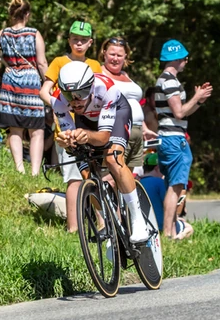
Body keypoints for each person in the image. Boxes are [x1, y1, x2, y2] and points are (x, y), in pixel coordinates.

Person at [53, 61, 150, 243]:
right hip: (86, 120)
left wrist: (85, 136)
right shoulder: (59, 101)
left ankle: (137, 219)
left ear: (90, 87)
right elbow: (70, 141)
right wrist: (66, 142)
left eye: (81, 93)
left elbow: (104, 138)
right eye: (69, 95)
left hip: (117, 113)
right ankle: (109, 222)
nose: (75, 100)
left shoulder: (106, 88)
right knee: (87, 174)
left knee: (113, 158)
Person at [38, 20, 100, 233]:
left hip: (90, 128)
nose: (79, 43)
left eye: (83, 40)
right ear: (69, 40)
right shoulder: (59, 62)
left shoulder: (95, 65)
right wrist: (59, 107)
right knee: (74, 177)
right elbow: (44, 90)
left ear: (90, 42)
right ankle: (73, 227)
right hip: (67, 129)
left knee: (94, 175)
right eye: (75, 39)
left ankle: (102, 222)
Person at [0, 0, 48, 175]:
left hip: (10, 82)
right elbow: (41, 63)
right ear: (27, 14)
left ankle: (19, 168)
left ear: (11, 14)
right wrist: (48, 82)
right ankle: (35, 172)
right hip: (30, 83)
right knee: (36, 130)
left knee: (15, 128)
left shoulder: (4, 33)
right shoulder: (34, 34)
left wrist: (2, 59)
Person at [154, 39, 212, 238]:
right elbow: (179, 112)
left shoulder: (167, 80)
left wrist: (199, 101)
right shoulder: (169, 81)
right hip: (173, 139)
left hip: (168, 137)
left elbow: (182, 114)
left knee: (173, 185)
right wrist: (196, 97)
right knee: (175, 187)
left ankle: (170, 232)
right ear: (178, 58)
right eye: (185, 58)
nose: (186, 62)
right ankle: (168, 234)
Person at [99, 37, 154, 174]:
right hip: (117, 130)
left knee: (129, 177)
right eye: (112, 54)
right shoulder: (99, 73)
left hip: (137, 131)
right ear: (104, 53)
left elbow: (134, 104)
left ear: (125, 56)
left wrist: (145, 129)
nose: (115, 59)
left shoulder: (125, 74)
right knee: (112, 175)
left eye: (119, 55)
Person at [139, 152, 166, 229]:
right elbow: (167, 205)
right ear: (157, 168)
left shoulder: (137, 183)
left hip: (142, 226)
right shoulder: (160, 182)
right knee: (188, 227)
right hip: (160, 226)